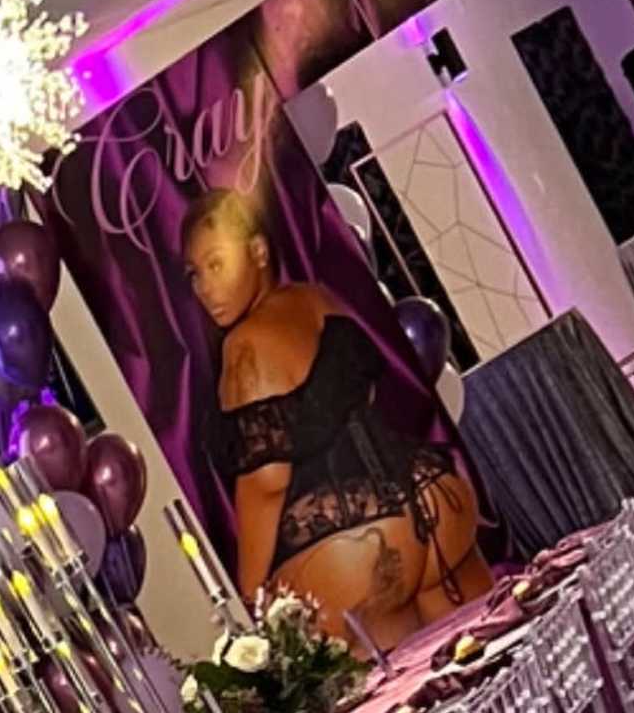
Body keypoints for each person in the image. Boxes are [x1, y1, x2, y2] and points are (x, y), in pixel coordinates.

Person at [183, 185, 488, 639]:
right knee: (504, 650)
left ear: (259, 251)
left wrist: (252, 600)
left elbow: (267, 485)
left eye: (216, 264)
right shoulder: (319, 300)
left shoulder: (245, 346)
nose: (206, 288)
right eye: (194, 274)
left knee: (398, 687)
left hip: (355, 548)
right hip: (435, 496)